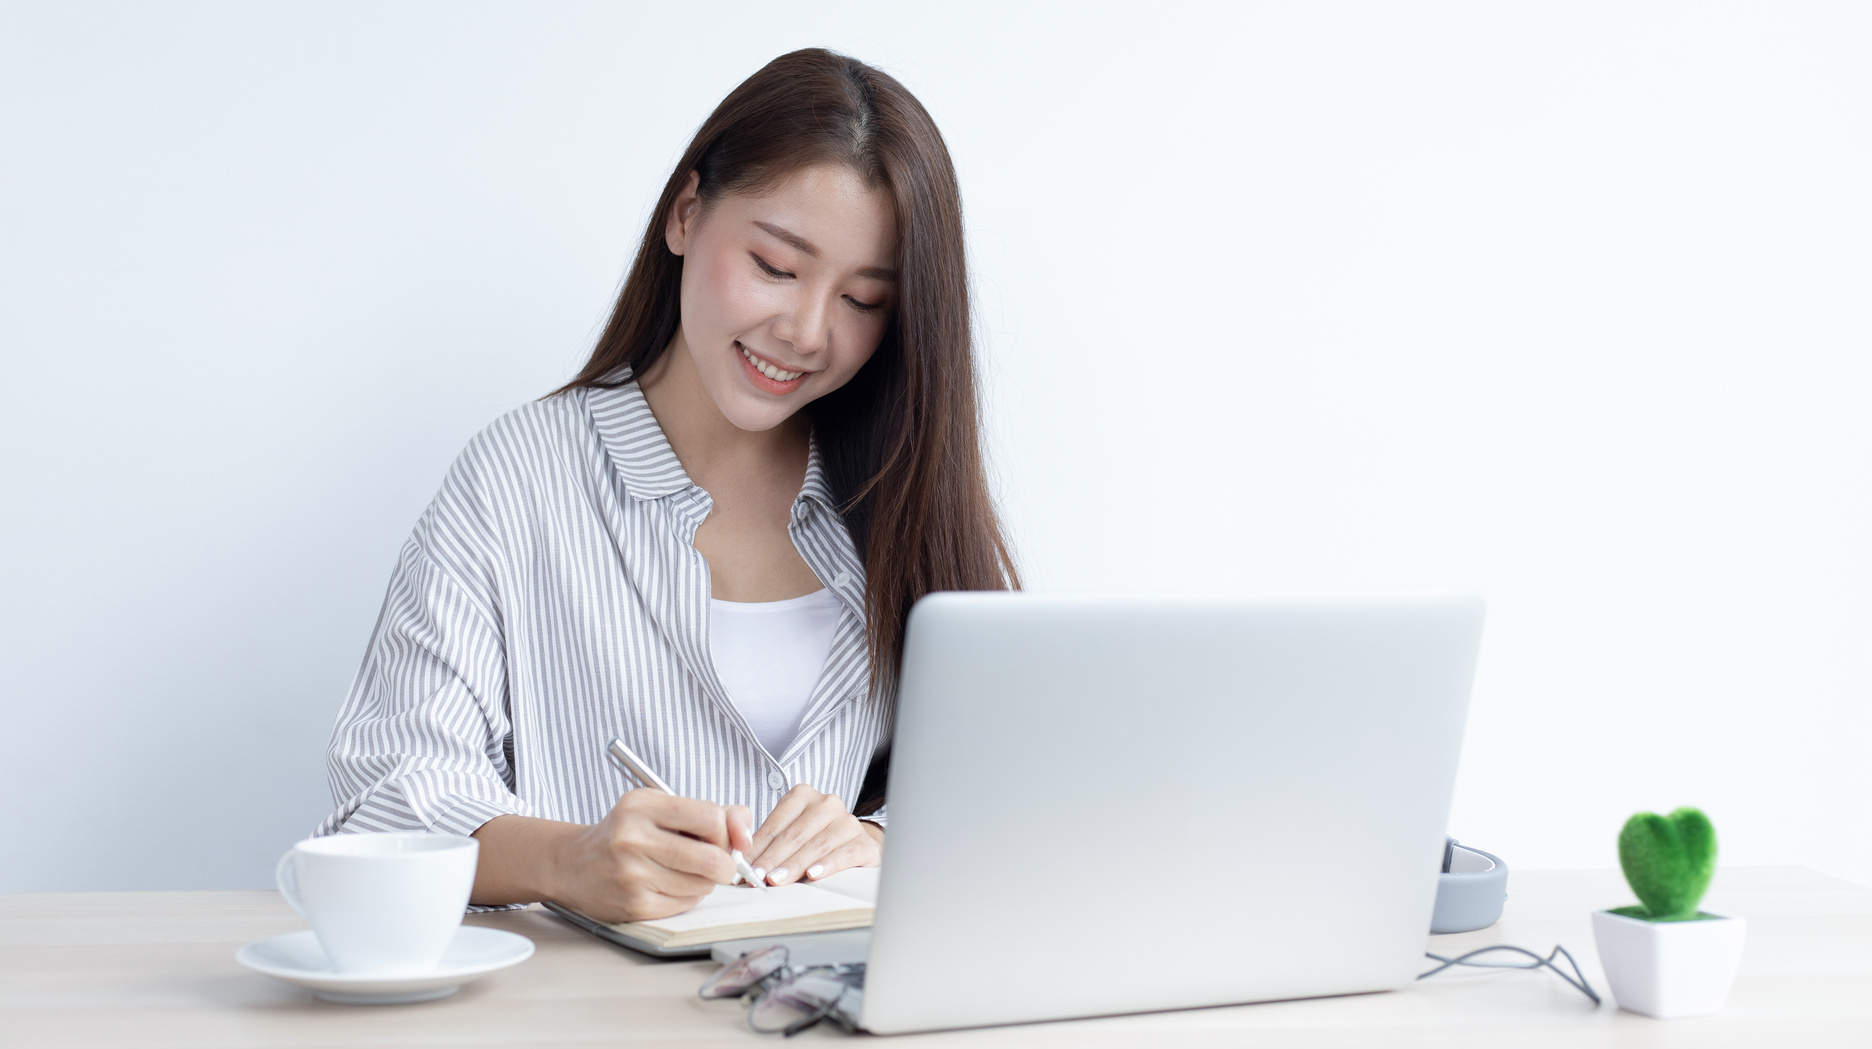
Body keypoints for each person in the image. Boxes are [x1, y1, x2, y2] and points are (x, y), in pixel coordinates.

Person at [317, 48, 1018, 923]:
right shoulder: (517, 479)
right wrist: (570, 860)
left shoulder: (900, 493)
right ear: (686, 214)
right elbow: (379, 807)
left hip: (830, 1002)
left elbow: (1019, 795)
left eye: (864, 301)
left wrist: (881, 841)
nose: (806, 331)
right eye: (775, 265)